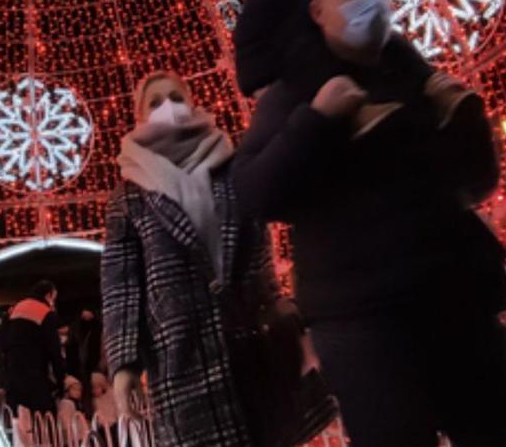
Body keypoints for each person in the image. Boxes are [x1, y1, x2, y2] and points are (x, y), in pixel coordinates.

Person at [233, 0, 506, 447]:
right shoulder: (294, 91)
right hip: (364, 322)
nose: (372, 2)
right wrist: (316, 121)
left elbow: (474, 183)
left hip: (460, 302)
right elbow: (253, 192)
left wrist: (465, 123)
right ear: (318, 12)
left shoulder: (423, 79)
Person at [101, 71, 333, 447]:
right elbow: (121, 283)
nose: (169, 108)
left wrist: (283, 315)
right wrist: (124, 365)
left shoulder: (231, 165)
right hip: (181, 356)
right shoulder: (129, 194)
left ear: (192, 102)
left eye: (176, 97)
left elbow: (260, 254)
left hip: (248, 340)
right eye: (155, 102)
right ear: (140, 115)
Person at [1, 280, 65, 415]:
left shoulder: (15, 309)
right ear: (48, 295)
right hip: (35, 375)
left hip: (13, 374)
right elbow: (54, 350)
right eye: (54, 298)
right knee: (44, 419)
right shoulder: (45, 313)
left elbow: (2, 341)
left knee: (19, 420)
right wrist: (61, 380)